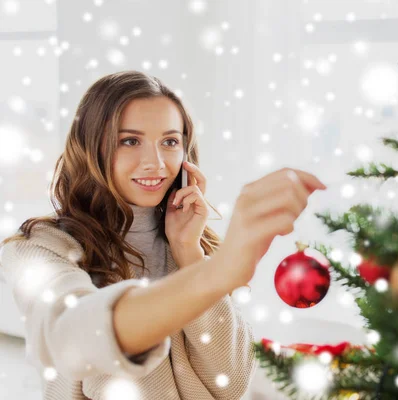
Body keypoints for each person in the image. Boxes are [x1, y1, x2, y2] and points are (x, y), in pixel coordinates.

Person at [0, 70, 327, 399]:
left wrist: (189, 253)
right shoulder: (39, 248)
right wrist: (217, 273)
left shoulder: (192, 245)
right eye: (130, 141)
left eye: (170, 142)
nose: (155, 163)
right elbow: (70, 338)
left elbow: (232, 380)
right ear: (91, 147)